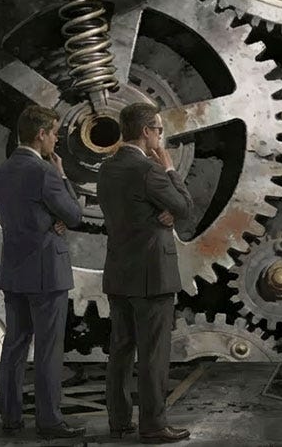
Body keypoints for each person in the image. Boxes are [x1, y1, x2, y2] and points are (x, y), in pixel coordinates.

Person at [98, 102, 196, 443]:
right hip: (152, 275)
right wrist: (169, 169)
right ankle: (154, 426)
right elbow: (184, 207)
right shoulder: (150, 171)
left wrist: (161, 210)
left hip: (118, 272)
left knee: (121, 351)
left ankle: (120, 422)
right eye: (158, 130)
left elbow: (127, 211)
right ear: (146, 133)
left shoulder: (107, 169)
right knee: (154, 353)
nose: (160, 135)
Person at [0, 105, 86, 439]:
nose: (56, 140)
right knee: (48, 349)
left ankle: (11, 418)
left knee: (14, 346)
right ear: (41, 134)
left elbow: (11, 216)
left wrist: (46, 219)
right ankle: (49, 421)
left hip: (13, 269)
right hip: (46, 271)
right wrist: (61, 177)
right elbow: (74, 215)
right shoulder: (44, 172)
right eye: (54, 133)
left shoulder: (3, 170)